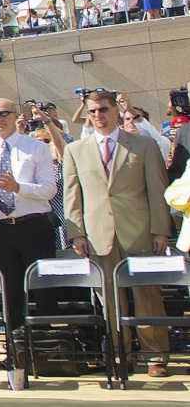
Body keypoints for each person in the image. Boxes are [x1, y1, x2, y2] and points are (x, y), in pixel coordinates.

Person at [62, 90, 175, 378]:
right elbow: (72, 196)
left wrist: (160, 230)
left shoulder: (143, 145)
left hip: (139, 233)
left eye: (103, 109)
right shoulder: (75, 150)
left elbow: (157, 191)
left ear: (115, 110)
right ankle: (119, 354)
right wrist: (76, 234)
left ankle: (155, 357)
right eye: (92, 111)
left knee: (148, 297)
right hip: (98, 234)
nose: (97, 115)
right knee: (110, 300)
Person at [0, 98, 57, 365]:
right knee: (10, 292)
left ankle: (45, 350)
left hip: (34, 225)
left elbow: (49, 189)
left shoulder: (35, 148)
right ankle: (16, 355)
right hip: (2, 229)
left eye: (4, 113)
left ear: (16, 115)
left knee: (42, 291)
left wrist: (19, 188)